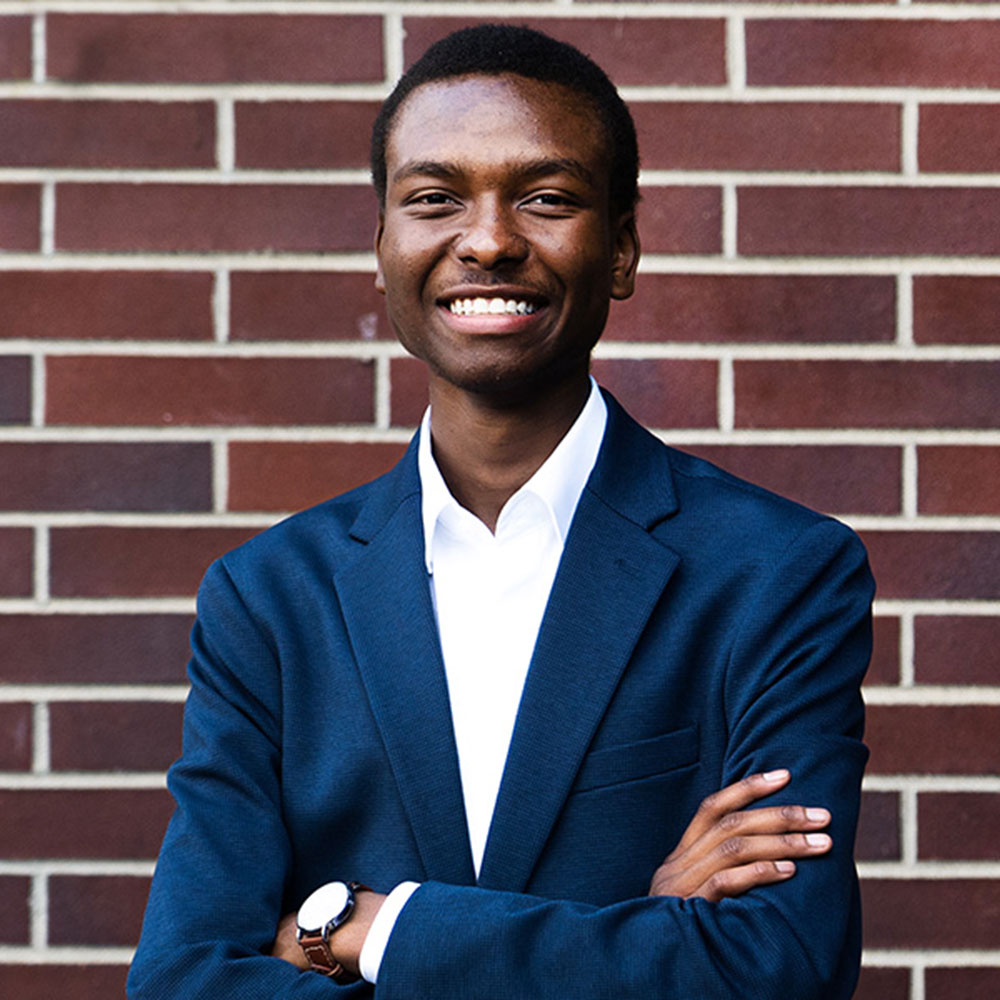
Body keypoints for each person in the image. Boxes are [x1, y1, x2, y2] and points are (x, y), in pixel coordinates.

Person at [128, 24, 873, 999]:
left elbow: (776, 967)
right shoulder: (268, 600)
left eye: (546, 198)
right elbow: (184, 979)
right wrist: (639, 937)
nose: (486, 240)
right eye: (435, 199)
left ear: (622, 246)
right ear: (383, 247)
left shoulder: (777, 572)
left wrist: (367, 928)